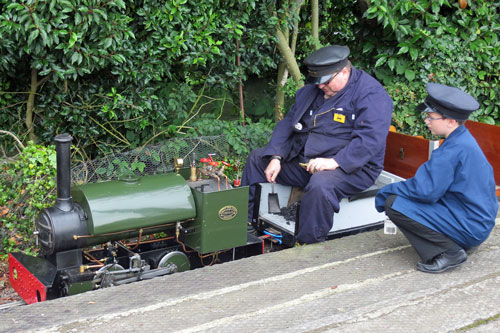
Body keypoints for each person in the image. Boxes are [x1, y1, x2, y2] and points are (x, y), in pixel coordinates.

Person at [241, 45, 394, 244]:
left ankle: (308, 245)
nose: (321, 87)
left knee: (321, 185)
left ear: (344, 72)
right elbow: (288, 123)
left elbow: (370, 140)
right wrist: (276, 157)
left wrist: (335, 162)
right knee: (257, 159)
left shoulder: (372, 95)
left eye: (326, 82)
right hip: (307, 161)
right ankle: (246, 223)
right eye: (318, 82)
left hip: (354, 168)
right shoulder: (313, 91)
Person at [375, 83, 498, 273]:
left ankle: (448, 252)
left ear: (450, 121)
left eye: (431, 117)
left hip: (470, 225)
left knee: (393, 203)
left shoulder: (451, 150)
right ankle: (456, 242)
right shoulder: (464, 140)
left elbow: (425, 191)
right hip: (477, 222)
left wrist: (386, 192)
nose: (426, 121)